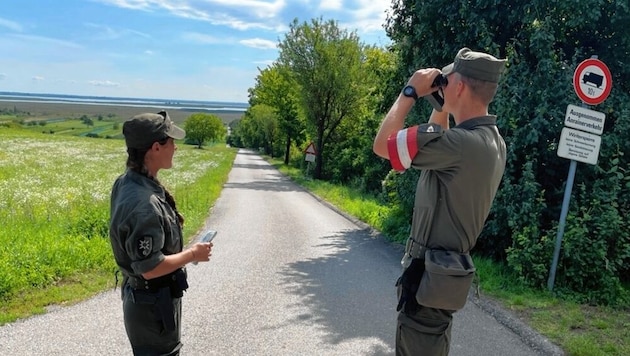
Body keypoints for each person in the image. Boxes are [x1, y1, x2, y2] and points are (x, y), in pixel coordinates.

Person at [373, 48, 508, 355]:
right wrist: (441, 104)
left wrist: (410, 91)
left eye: (447, 81)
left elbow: (383, 145)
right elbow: (440, 138)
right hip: (441, 279)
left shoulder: (462, 144)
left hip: (428, 279)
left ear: (459, 86)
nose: (443, 85)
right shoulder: (491, 140)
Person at [109, 110, 213, 355]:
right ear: (156, 148)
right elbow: (150, 268)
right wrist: (192, 255)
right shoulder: (143, 203)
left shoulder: (130, 181)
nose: (175, 148)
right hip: (151, 308)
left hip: (150, 302)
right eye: (171, 142)